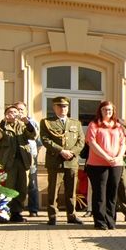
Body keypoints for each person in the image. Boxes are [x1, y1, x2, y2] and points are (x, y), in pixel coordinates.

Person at [40, 96, 85, 226]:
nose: (62, 109)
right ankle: (52, 216)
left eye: (65, 106)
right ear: (54, 108)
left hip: (71, 161)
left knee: (71, 191)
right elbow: (45, 140)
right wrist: (61, 151)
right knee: (53, 190)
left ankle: (72, 215)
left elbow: (81, 141)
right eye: (59, 106)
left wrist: (72, 152)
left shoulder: (76, 123)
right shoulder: (47, 122)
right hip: (55, 161)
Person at [85, 100, 126, 230]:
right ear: (100, 111)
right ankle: (100, 221)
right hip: (97, 165)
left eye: (110, 110)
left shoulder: (118, 126)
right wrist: (106, 157)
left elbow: (123, 144)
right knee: (100, 194)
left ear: (113, 111)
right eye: (105, 109)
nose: (107, 112)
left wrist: (118, 157)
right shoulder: (94, 125)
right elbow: (92, 143)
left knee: (112, 193)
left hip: (116, 164)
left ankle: (111, 220)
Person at [0, 103, 38, 223]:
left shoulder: (22, 126)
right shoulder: (1, 126)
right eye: (10, 112)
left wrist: (27, 123)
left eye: (15, 112)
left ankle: (16, 213)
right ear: (5, 115)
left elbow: (33, 135)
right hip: (7, 162)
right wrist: (3, 123)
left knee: (21, 188)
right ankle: (4, 212)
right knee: (7, 187)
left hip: (22, 162)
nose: (12, 114)